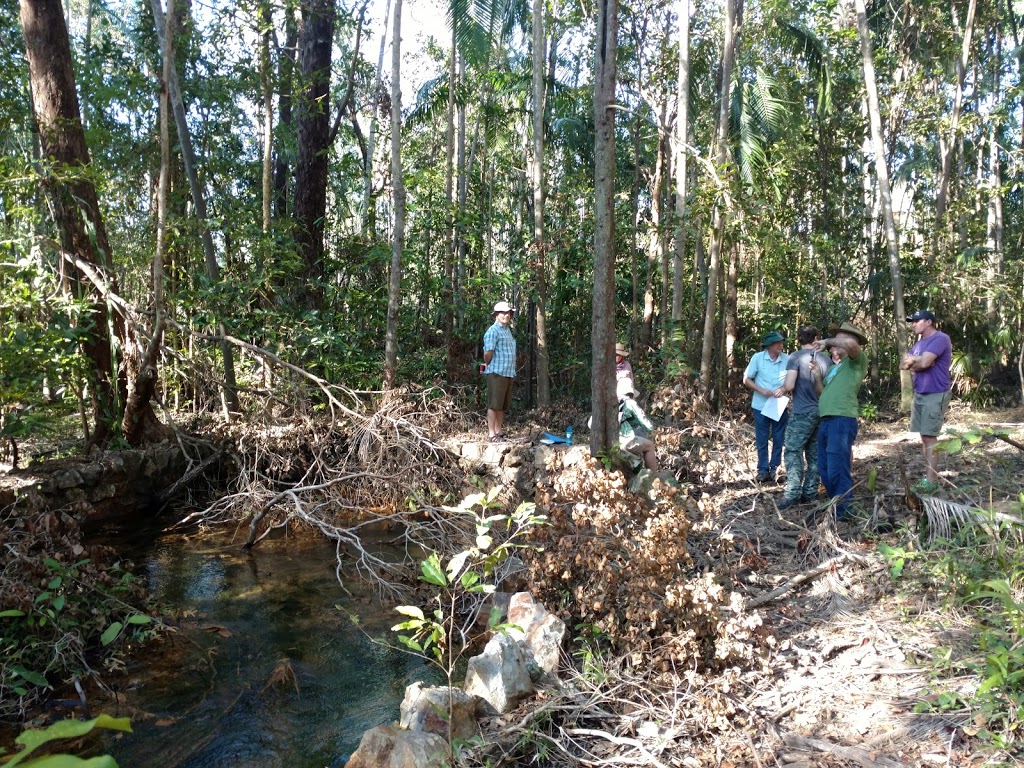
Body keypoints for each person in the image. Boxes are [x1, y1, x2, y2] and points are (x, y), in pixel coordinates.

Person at [810, 321, 869, 520]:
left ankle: (845, 511)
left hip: (842, 419)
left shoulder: (856, 361)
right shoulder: (835, 368)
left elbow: (851, 346)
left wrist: (827, 341)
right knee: (824, 467)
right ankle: (836, 504)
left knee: (837, 466)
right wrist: (818, 375)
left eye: (842, 338)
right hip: (826, 420)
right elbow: (822, 393)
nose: (837, 343)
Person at [777, 326, 832, 510]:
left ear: (799, 339)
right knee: (814, 454)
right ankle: (810, 492)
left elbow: (790, 384)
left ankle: (792, 493)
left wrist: (784, 387)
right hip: (822, 410)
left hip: (802, 411)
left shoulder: (795, 357)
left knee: (792, 450)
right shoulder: (827, 359)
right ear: (816, 338)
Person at [900, 309, 952, 492]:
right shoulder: (919, 344)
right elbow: (903, 364)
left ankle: (931, 481)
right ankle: (928, 476)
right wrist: (916, 360)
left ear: (929, 322)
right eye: (912, 321)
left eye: (917, 321)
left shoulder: (940, 338)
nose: (913, 324)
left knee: (930, 437)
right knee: (924, 436)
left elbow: (922, 364)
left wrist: (916, 362)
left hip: (936, 392)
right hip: (920, 393)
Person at [743, 331, 789, 483]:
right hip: (761, 405)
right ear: (769, 346)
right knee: (762, 439)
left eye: (782, 342)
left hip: (779, 405)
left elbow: (791, 380)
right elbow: (746, 379)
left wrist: (783, 389)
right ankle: (762, 470)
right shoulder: (757, 358)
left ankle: (775, 468)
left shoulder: (786, 359)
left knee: (778, 437)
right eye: (777, 343)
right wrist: (761, 390)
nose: (781, 345)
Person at [482, 300, 516, 441]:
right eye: (502, 313)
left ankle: (498, 431)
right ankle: (491, 434)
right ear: (496, 315)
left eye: (507, 312)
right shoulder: (493, 331)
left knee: (501, 405)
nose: (505, 315)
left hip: (507, 372)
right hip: (496, 372)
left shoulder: (507, 330)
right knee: (493, 404)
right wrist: (487, 364)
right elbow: (488, 353)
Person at [616, 378, 658, 470]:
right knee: (650, 445)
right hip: (626, 440)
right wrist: (654, 429)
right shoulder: (630, 403)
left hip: (614, 440)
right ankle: (653, 476)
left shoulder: (615, 403)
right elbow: (646, 423)